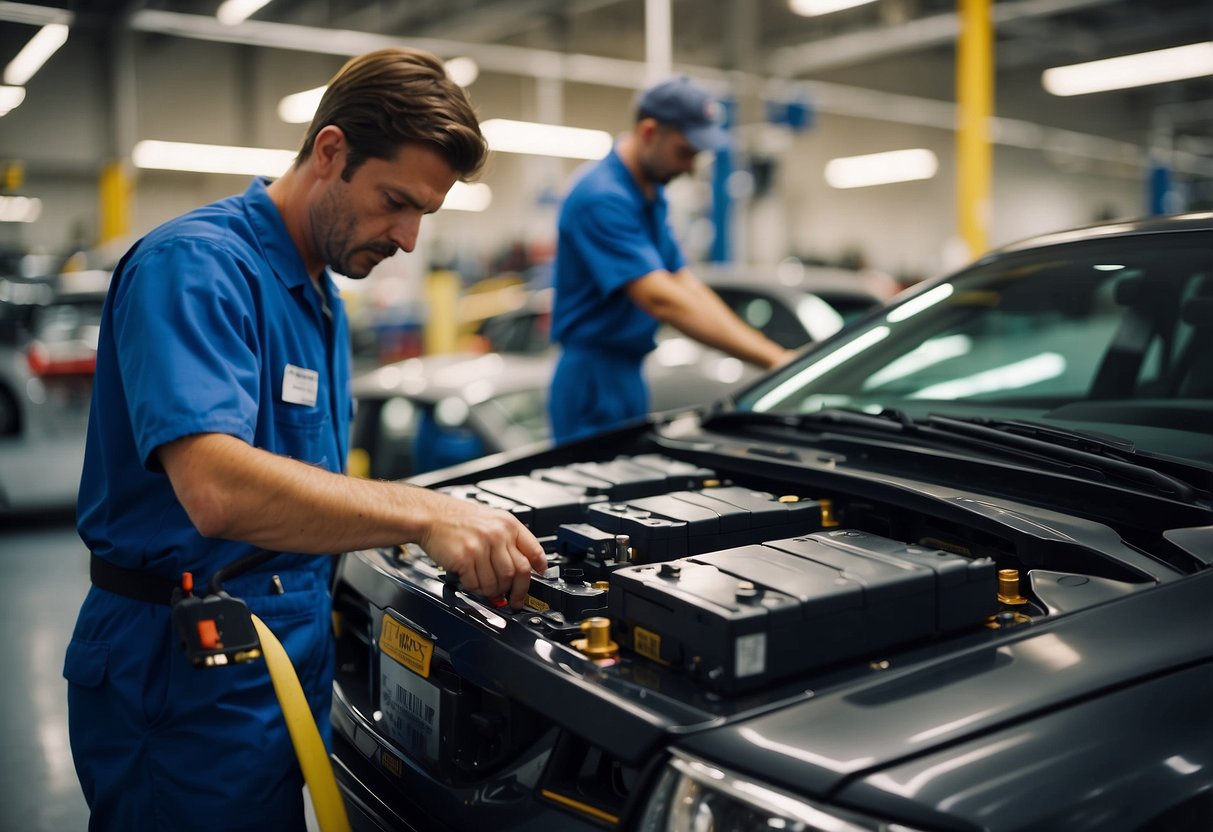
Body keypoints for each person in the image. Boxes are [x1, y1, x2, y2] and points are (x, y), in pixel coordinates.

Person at [64, 47, 547, 832]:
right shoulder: (197, 267)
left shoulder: (317, 290)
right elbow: (216, 488)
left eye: (425, 212)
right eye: (396, 201)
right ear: (330, 152)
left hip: (278, 653)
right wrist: (423, 514)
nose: (409, 237)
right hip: (180, 670)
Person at [547, 75, 797, 443]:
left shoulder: (648, 194)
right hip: (592, 379)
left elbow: (684, 284)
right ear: (649, 132)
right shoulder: (602, 197)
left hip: (628, 372)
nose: (690, 167)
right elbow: (661, 298)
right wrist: (772, 360)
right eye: (685, 152)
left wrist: (774, 353)